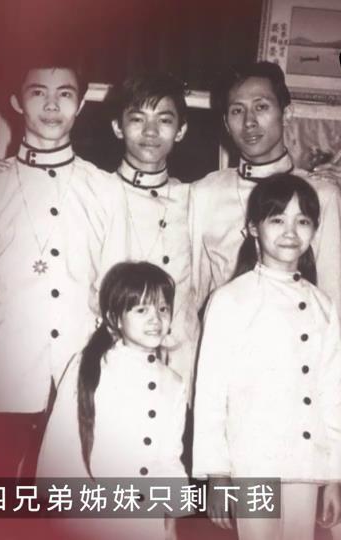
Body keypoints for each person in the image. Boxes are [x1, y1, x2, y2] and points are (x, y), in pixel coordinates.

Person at [0, 57, 128, 477]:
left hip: (82, 370)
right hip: (2, 370)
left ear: (81, 103)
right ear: (17, 101)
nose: (52, 105)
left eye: (65, 94)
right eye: (38, 93)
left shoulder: (106, 189)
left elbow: (116, 293)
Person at [193, 174, 341, 540]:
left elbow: (330, 395)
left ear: (314, 230)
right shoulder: (230, 299)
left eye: (303, 221)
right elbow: (211, 393)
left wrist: (333, 477)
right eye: (277, 219)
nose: (290, 232)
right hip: (252, 459)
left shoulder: (322, 305)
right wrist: (217, 473)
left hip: (306, 459)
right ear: (252, 228)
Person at [189, 61, 341, 319]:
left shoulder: (323, 194)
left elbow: (333, 300)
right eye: (237, 111)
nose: (249, 122)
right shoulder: (205, 193)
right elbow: (194, 295)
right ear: (226, 123)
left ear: (286, 114)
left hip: (299, 339)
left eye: (261, 107)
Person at [37, 261, 187, 538]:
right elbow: (60, 445)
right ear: (115, 318)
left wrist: (171, 523)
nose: (155, 319)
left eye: (163, 309)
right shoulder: (87, 366)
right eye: (142, 310)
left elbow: (169, 457)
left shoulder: (174, 383)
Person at [104, 72, 199, 393]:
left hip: (180, 364)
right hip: (114, 362)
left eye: (164, 120)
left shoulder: (194, 198)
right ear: (117, 127)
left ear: (181, 130)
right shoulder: (97, 191)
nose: (150, 131)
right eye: (137, 119)